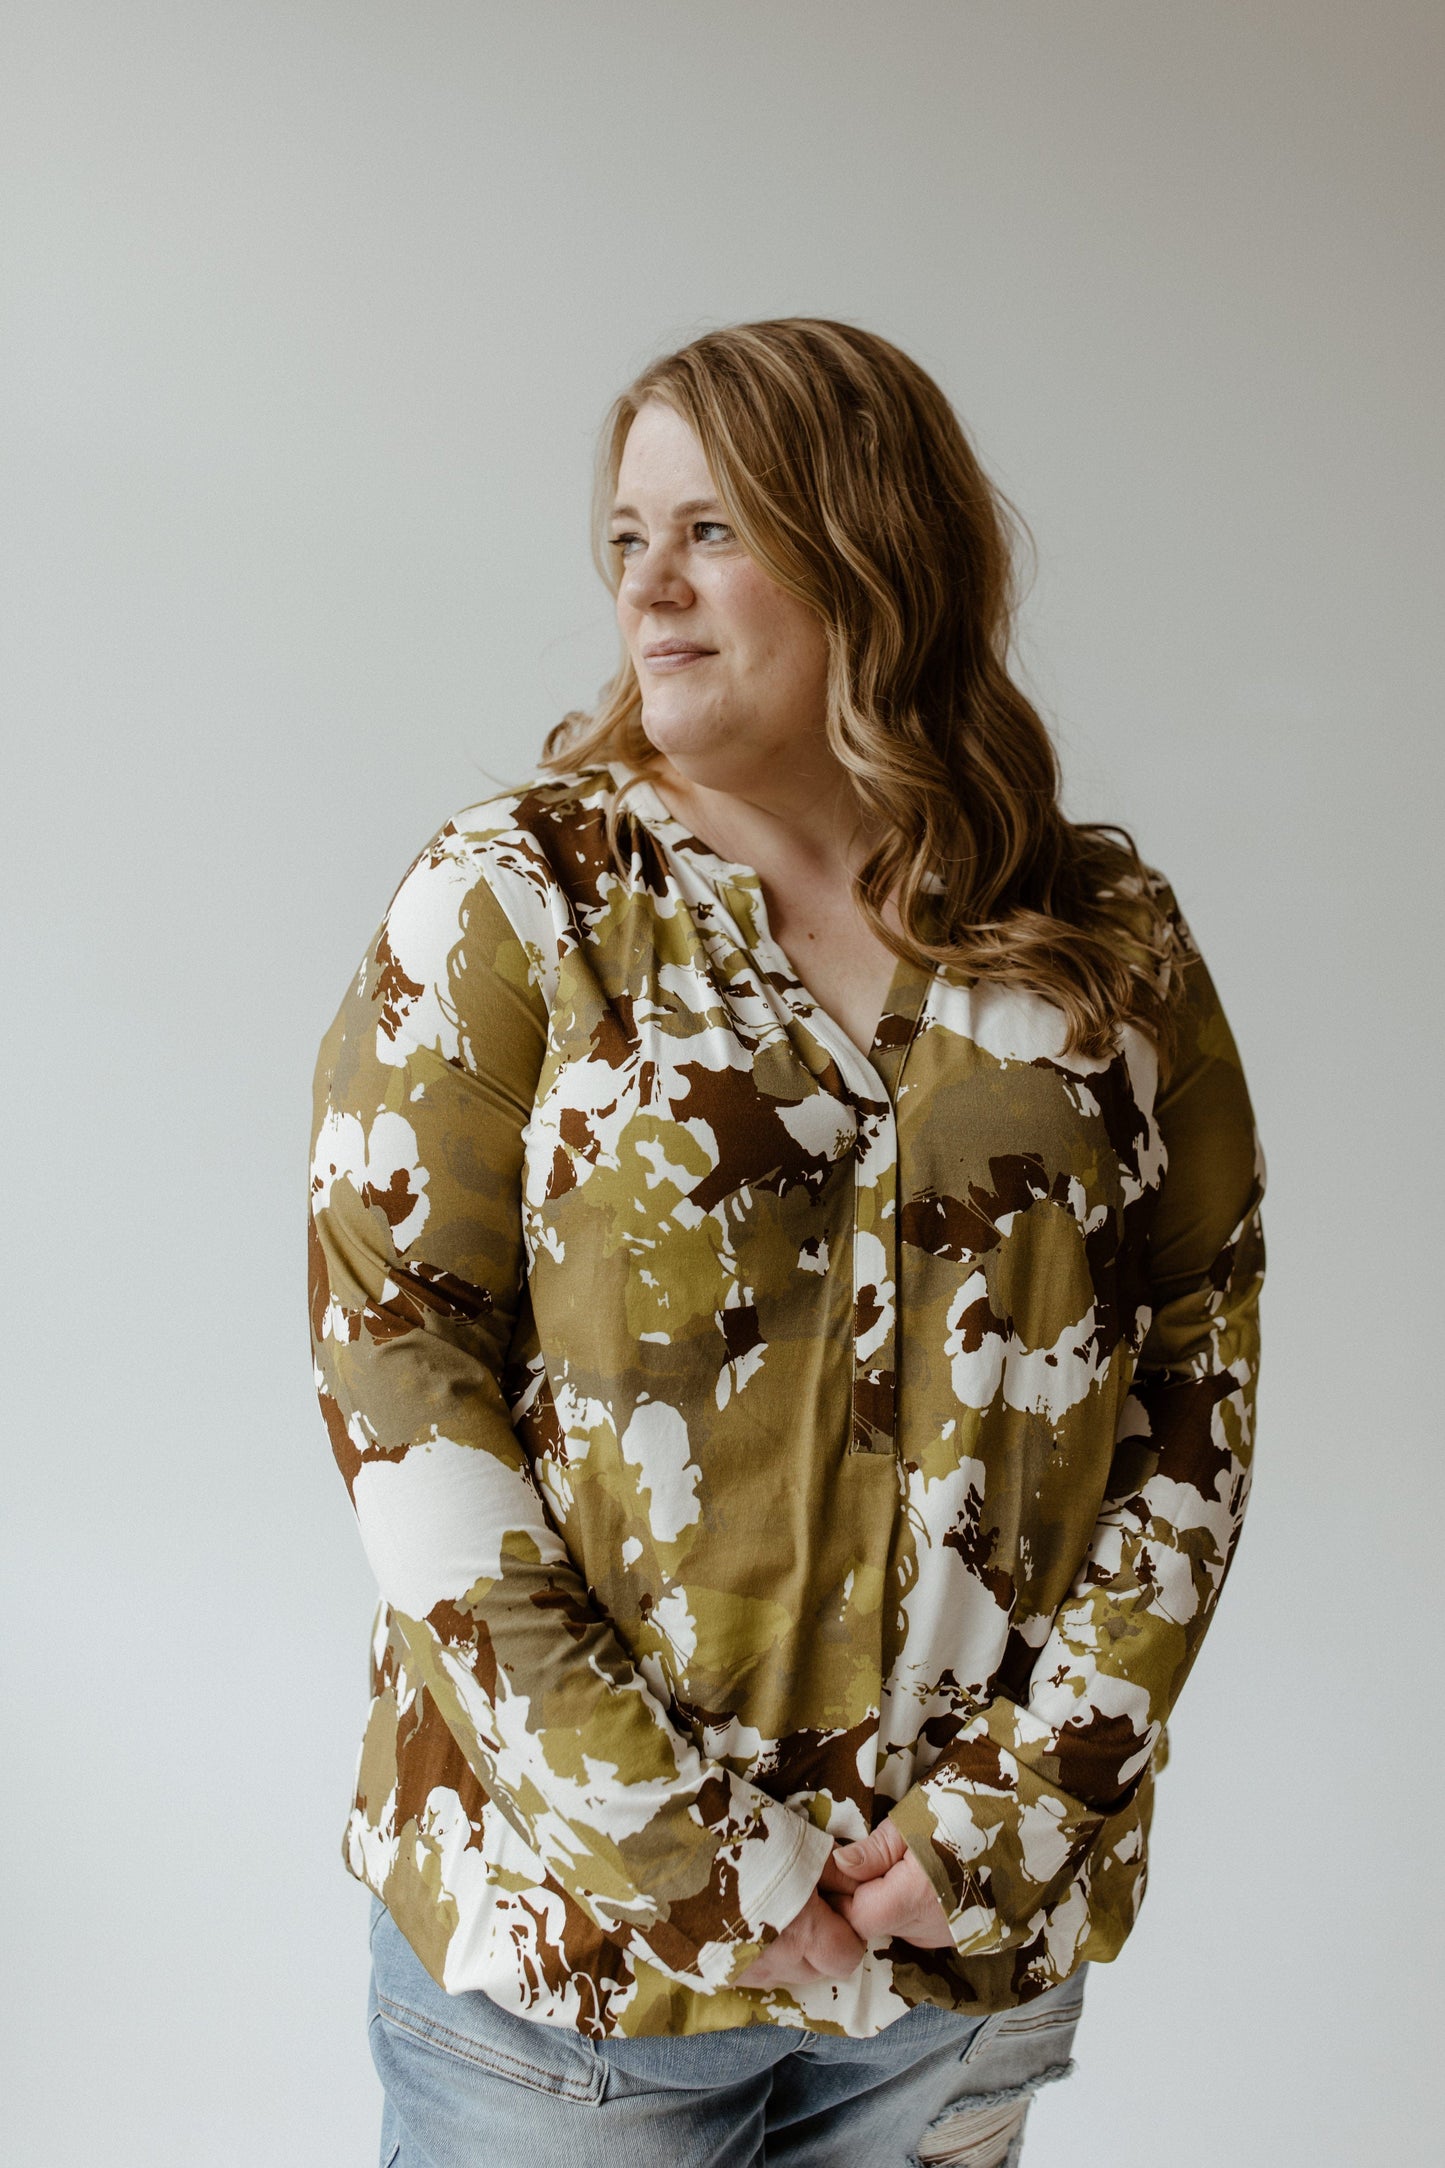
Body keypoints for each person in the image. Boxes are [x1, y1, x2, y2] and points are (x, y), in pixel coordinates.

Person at [308, 317, 1265, 2168]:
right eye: (624, 539)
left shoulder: (1099, 935)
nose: (647, 591)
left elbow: (1194, 1372)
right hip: (579, 1978)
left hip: (958, 1963)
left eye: (712, 533)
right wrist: (691, 1857)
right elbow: (397, 1382)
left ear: (874, 551)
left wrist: (1012, 1815)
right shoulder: (518, 901)